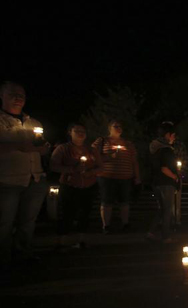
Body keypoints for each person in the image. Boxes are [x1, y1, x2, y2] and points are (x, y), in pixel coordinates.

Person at [0, 81, 50, 267]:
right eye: (13, 94)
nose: (18, 98)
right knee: (4, 224)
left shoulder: (33, 122)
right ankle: (3, 259)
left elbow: (40, 144)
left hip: (34, 178)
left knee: (28, 222)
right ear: (2, 95)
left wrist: (44, 148)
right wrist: (19, 147)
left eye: (21, 95)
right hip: (6, 180)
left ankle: (22, 253)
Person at [50, 123, 102, 251]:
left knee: (85, 213)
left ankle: (81, 240)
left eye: (83, 130)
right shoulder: (63, 149)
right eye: (77, 130)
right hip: (70, 185)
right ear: (70, 132)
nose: (80, 133)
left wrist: (90, 172)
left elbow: (101, 166)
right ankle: (61, 241)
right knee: (67, 213)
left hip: (88, 186)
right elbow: (53, 165)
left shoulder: (91, 150)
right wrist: (72, 169)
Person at [92, 119, 141, 234]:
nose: (119, 128)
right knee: (107, 201)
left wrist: (137, 176)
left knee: (124, 201)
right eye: (116, 126)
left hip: (125, 178)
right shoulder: (102, 141)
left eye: (120, 126)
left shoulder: (128, 144)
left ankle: (125, 224)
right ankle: (106, 226)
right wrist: (109, 157)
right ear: (110, 128)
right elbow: (93, 156)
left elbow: (134, 161)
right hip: (107, 177)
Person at [147, 122, 179, 243]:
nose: (174, 138)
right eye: (173, 135)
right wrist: (174, 176)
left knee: (161, 209)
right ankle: (166, 236)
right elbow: (164, 168)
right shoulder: (166, 150)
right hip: (166, 183)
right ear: (168, 135)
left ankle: (151, 232)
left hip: (156, 182)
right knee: (167, 210)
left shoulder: (155, 149)